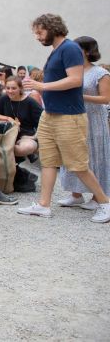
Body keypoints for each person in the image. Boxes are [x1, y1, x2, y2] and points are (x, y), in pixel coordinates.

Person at [18, 14, 110, 223]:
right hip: (50, 115)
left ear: (52, 28)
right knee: (49, 161)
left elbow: (75, 80)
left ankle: (105, 203)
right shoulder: (56, 51)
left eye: (40, 32)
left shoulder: (70, 48)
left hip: (68, 116)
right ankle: (44, 205)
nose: (37, 37)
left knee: (78, 164)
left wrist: (42, 86)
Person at [57, 36, 110, 211]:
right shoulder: (71, 71)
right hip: (73, 118)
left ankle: (97, 197)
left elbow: (106, 98)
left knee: (95, 156)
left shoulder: (100, 73)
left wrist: (81, 96)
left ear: (87, 51)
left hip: (93, 120)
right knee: (73, 155)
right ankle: (76, 194)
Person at [0, 76, 42, 161]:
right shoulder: (4, 98)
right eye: (8, 88)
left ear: (20, 88)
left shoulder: (30, 102)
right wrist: (8, 118)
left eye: (13, 88)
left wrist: (34, 137)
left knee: (23, 148)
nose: (10, 91)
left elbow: (44, 121)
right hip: (7, 134)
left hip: (26, 135)